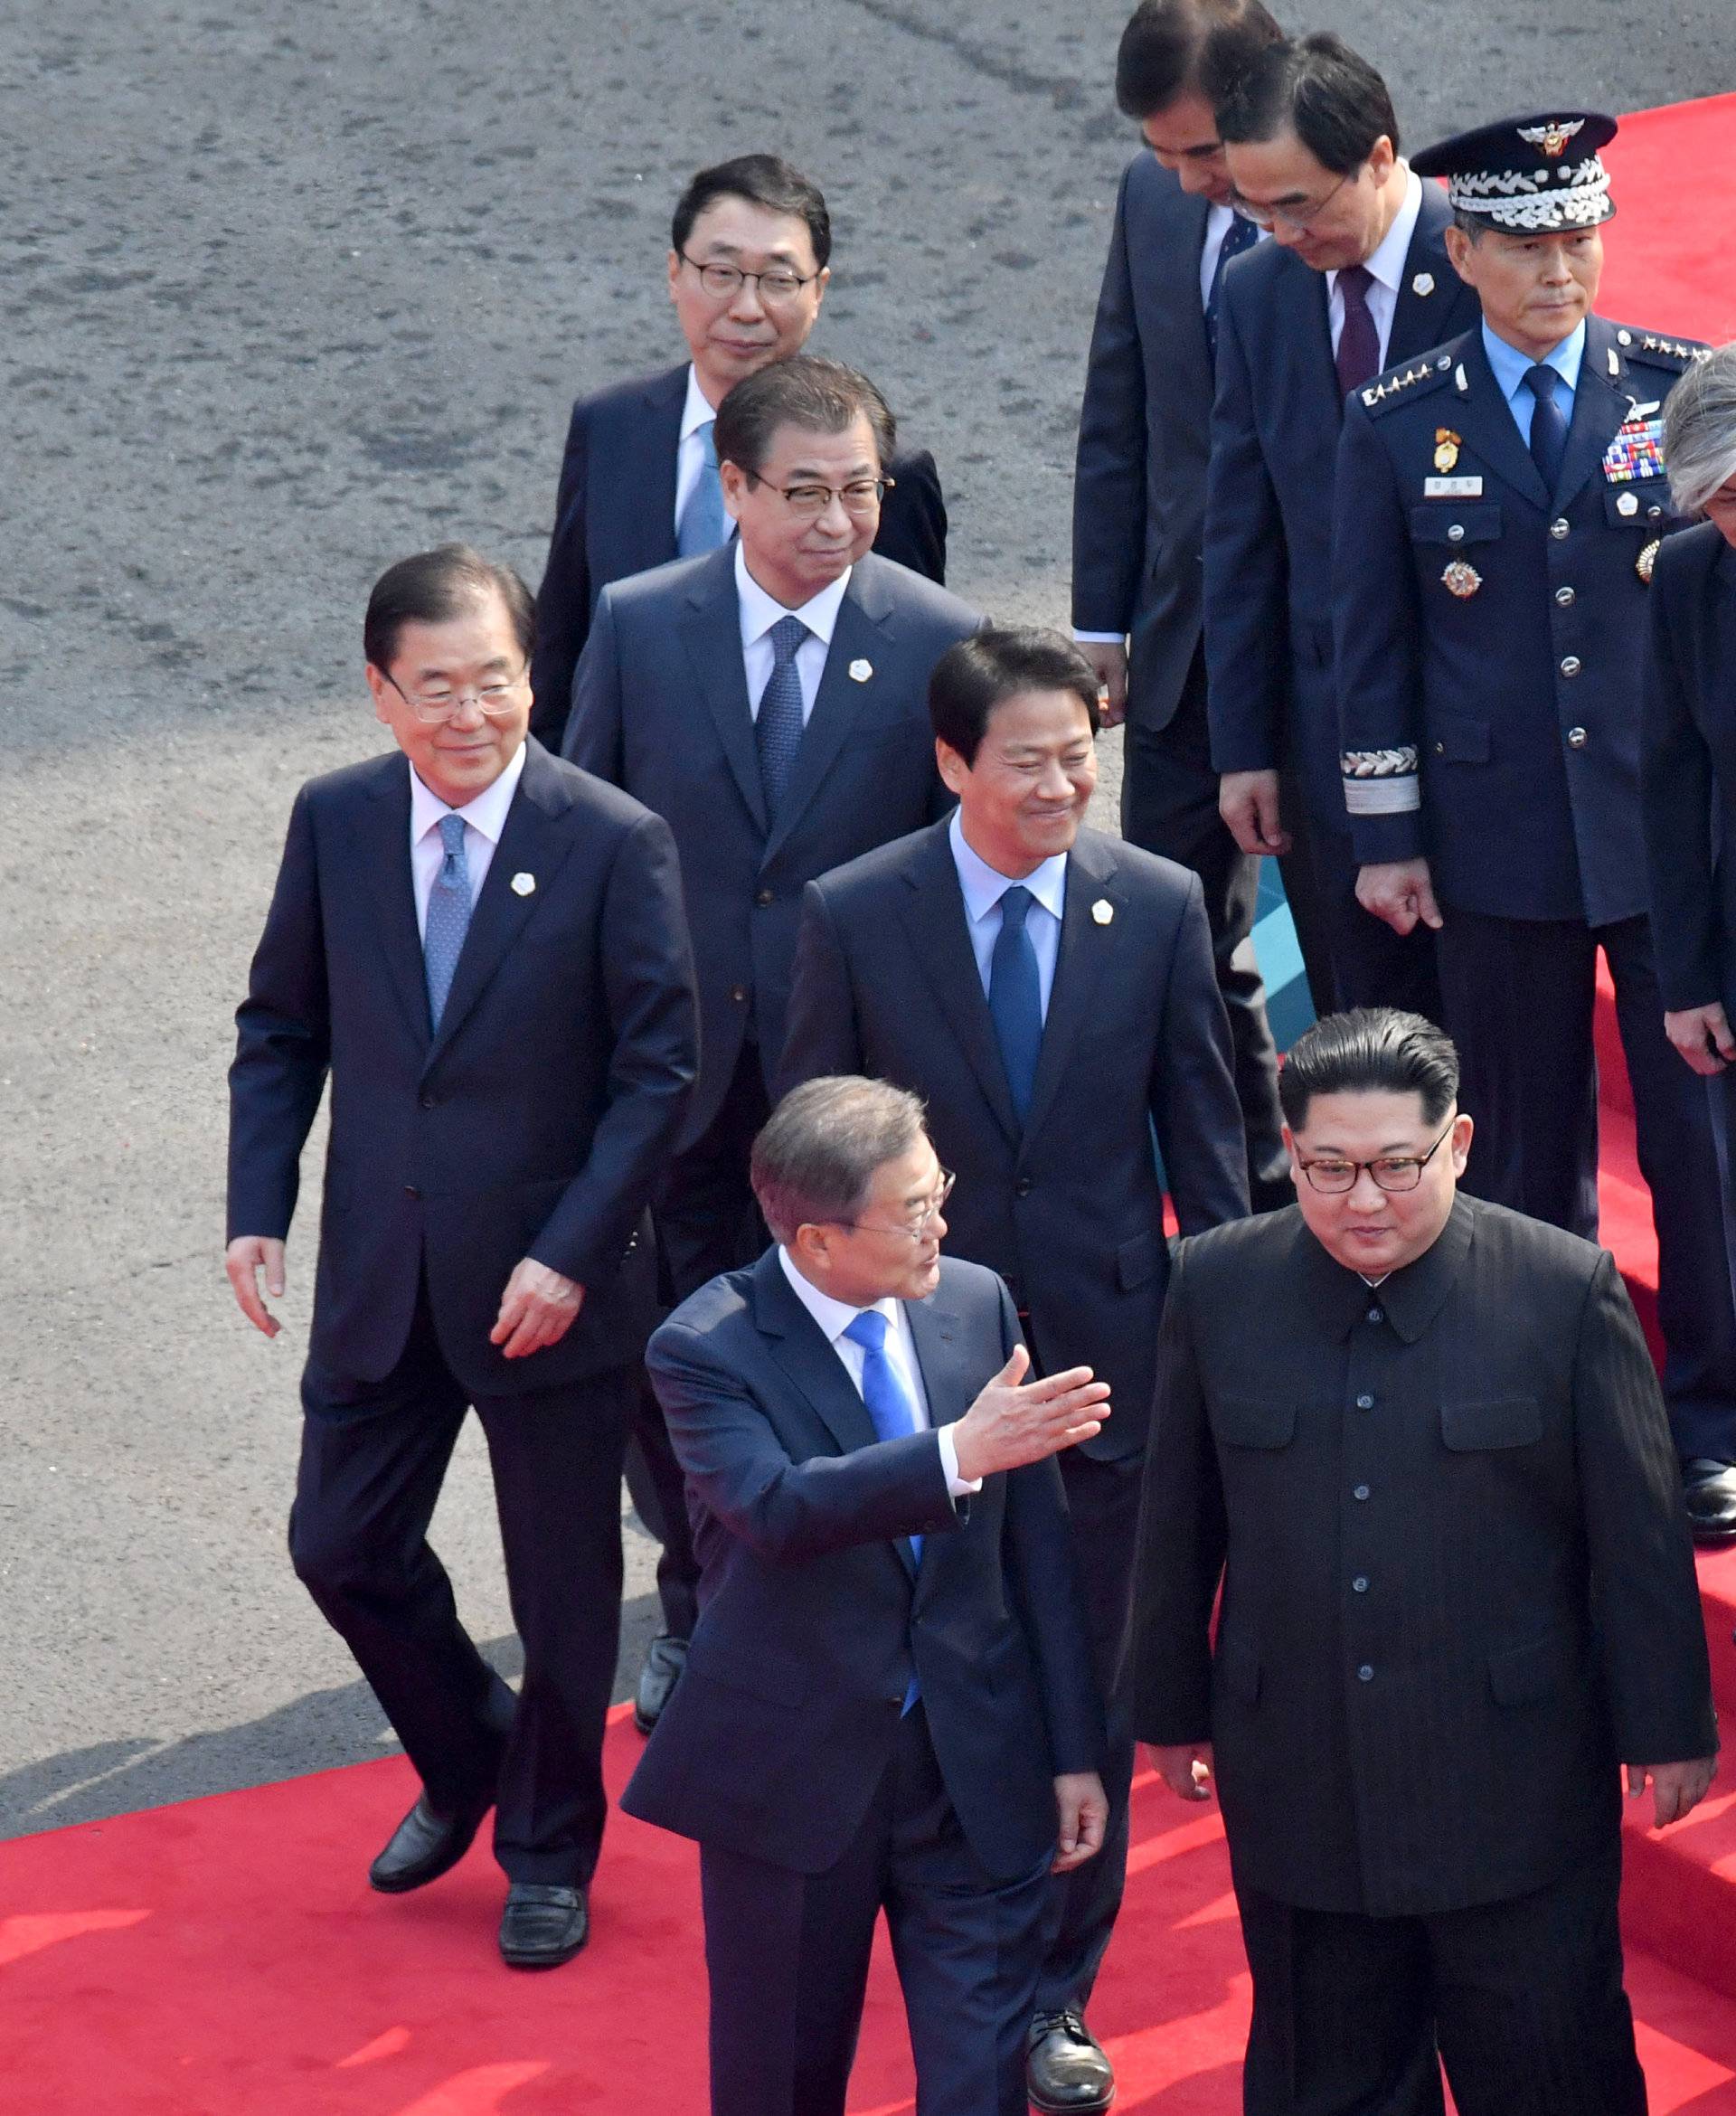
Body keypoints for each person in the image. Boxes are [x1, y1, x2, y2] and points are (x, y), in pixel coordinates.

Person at [779, 628, 1247, 2114]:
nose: (1061, 785)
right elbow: (805, 1156)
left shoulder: (1156, 902)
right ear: (952, 763)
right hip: (925, 1379)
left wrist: (1229, 1333)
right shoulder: (860, 915)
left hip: (1111, 1368)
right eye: (1029, 759)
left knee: (1092, 1685)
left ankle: (1058, 1993)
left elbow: (1208, 1137)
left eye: (1079, 757)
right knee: (967, 1664)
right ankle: (952, 1940)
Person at [225, 547, 699, 1968]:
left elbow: (659, 1072)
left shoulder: (613, 838)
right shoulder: (338, 822)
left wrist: (571, 1253)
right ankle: (469, 1753)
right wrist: (261, 1205)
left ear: (531, 676)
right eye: (435, 688)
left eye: (496, 680)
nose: (471, 713)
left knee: (562, 1601)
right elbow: (282, 1027)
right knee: (340, 1545)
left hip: (551, 1286)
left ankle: (548, 1848)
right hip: (384, 1268)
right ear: (381, 694)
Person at [1130, 1007, 1716, 2116]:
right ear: (1290, 1152)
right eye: (1328, 1169)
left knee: (1553, 2072)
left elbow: (1635, 1541)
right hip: (1301, 1785)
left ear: (1457, 1143)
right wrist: (1166, 1701)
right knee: (1326, 2081)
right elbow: (1179, 1519)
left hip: (1516, 1789)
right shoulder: (1217, 1286)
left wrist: (1669, 1726)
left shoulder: (1559, 1289)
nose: (1362, 1201)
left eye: (1396, 1166)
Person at [565, 354, 981, 1724]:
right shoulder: (639, 623)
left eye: (858, 490)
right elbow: (589, 845)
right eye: (801, 491)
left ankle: (864, 1604)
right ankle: (694, 1606)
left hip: (846, 1081)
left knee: (847, 1345)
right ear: (730, 486)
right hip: (675, 1069)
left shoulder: (933, 640)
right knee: (675, 1344)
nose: (835, 519)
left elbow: (945, 869)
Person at [1335, 113, 1736, 1530]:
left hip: (1662, 842)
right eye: (1526, 241)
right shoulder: (1401, 416)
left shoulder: (1675, 390)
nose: (1560, 267)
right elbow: (1367, 640)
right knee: (1520, 1153)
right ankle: (1553, 1416)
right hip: (1493, 840)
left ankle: (1706, 1422)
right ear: (1463, 251)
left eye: (1578, 235)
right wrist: (1387, 834)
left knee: (1699, 1151)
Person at [622, 1077, 1110, 2116]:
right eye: (914, 1211)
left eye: (940, 1195)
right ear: (817, 1242)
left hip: (969, 1768)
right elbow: (776, 1510)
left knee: (980, 2079)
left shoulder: (974, 1302)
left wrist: (1075, 1752)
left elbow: (1039, 1559)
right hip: (797, 1783)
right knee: (784, 2079)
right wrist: (956, 1454)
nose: (942, 1226)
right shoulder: (705, 1349)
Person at [1203, 30, 1474, 1018]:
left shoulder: (1489, 263)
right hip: (1326, 738)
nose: (1279, 231)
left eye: (1297, 205)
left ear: (1379, 159)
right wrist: (1244, 743)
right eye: (1253, 206)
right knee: (1363, 1028)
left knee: (1492, 1047)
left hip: (1476, 735)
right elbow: (1240, 530)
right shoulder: (1258, 291)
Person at [1073, 0, 1289, 1210]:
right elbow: (1125, 413)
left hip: (1318, 662)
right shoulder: (1154, 200)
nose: (1191, 180)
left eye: (1205, 153)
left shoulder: (1338, 223)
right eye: (1166, 155)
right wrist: (1103, 620)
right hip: (1180, 651)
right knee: (1179, 950)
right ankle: (1239, 1215)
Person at [529, 153, 948, 749]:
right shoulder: (611, 426)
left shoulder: (881, 473)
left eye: (779, 280)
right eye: (721, 273)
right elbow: (563, 645)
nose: (747, 308)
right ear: (675, 273)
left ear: (819, 292)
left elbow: (912, 673)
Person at [1640, 341, 1736, 1538]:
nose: (1726, 513)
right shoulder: (1689, 576)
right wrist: (1683, 973)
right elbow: (1668, 783)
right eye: (1708, 493)